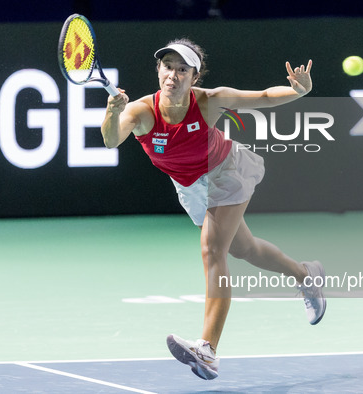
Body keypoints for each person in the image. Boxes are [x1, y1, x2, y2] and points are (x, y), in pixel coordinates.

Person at [101, 38, 326, 380]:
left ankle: (207, 350)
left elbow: (264, 97)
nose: (172, 75)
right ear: (158, 70)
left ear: (194, 76)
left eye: (182, 69)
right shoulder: (140, 112)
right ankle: (305, 275)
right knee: (245, 249)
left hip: (227, 172)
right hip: (190, 186)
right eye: (167, 67)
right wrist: (112, 111)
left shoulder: (209, 101)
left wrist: (299, 91)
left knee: (212, 249)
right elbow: (111, 139)